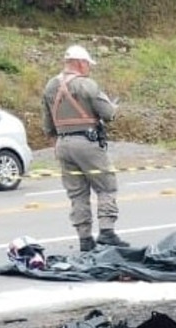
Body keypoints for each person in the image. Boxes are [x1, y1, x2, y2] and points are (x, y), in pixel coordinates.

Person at [41, 45, 126, 252]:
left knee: (77, 193)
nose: (89, 68)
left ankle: (85, 239)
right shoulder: (87, 85)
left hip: (63, 144)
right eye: (87, 64)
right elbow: (108, 114)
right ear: (80, 63)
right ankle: (107, 232)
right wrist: (113, 107)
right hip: (87, 143)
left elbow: (47, 125)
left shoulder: (50, 86)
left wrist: (56, 145)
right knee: (106, 186)